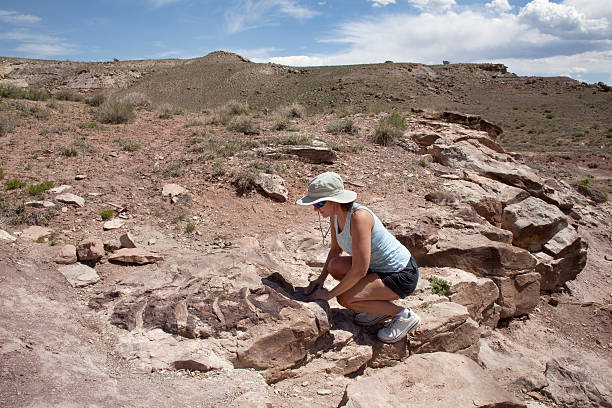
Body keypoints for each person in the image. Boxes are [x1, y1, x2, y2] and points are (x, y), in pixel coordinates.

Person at [296, 171, 420, 343]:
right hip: (376, 269)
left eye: (320, 203)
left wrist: (329, 295)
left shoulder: (359, 217)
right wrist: (320, 279)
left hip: (400, 274)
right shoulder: (335, 216)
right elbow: (335, 249)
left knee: (345, 299)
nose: (316, 209)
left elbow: (360, 270)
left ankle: (402, 314)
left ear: (335, 200)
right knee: (335, 265)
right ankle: (377, 307)